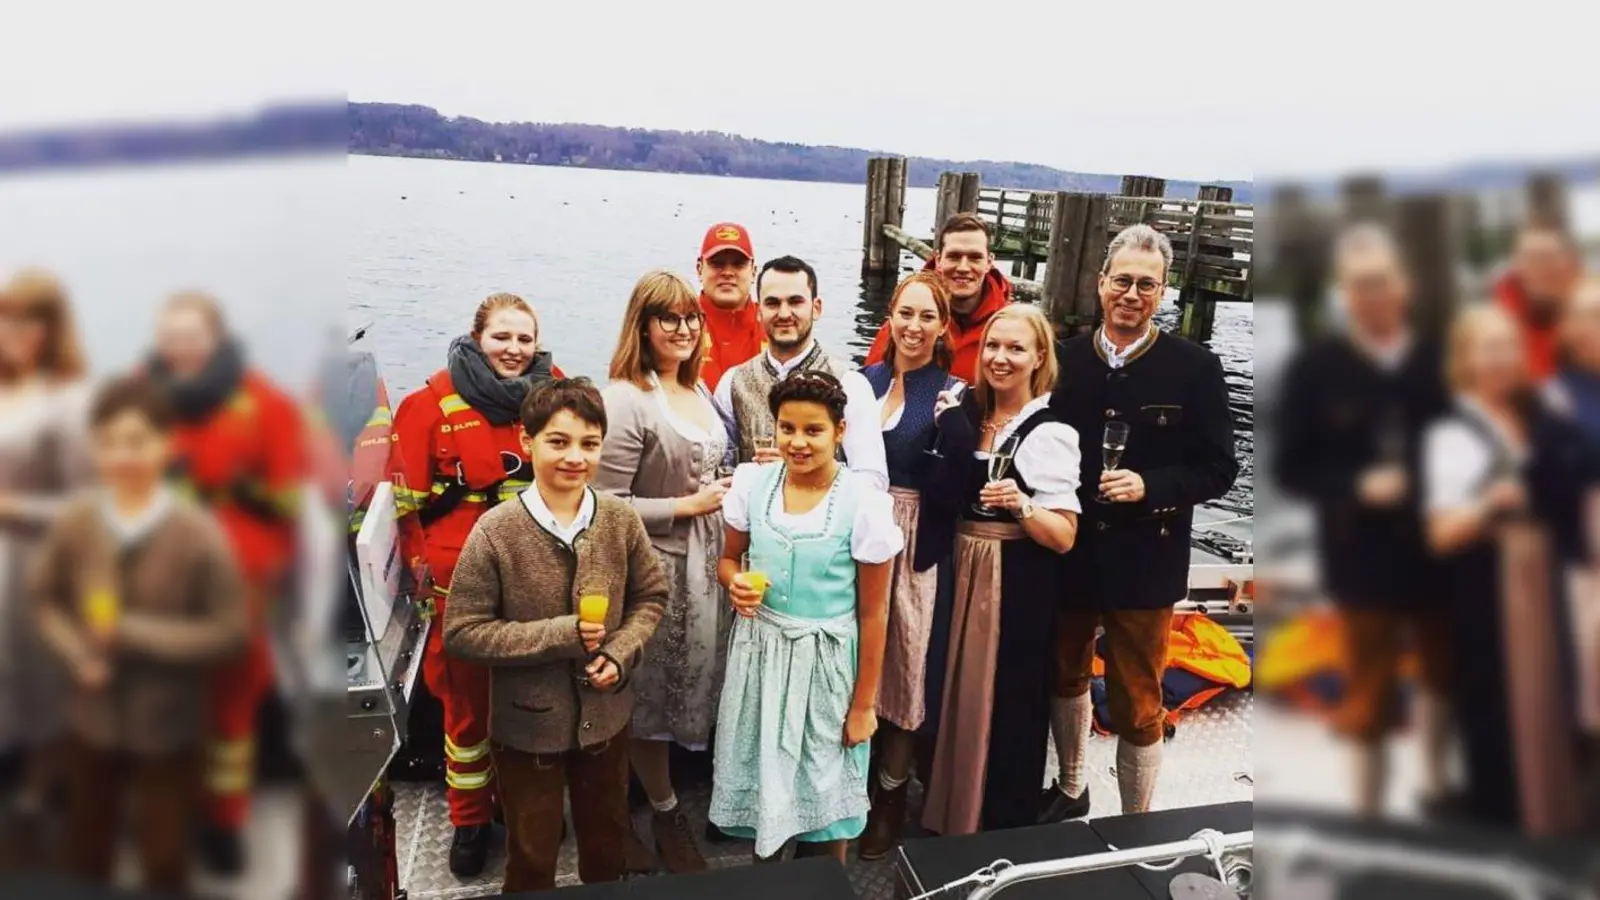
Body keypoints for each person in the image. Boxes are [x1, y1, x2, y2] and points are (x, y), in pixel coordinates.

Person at [443, 378, 668, 893]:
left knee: (607, 844)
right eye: (558, 442)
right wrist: (562, 634)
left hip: (607, 723)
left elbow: (650, 597)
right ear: (527, 442)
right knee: (530, 853)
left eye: (589, 444)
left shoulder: (619, 519)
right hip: (526, 733)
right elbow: (463, 632)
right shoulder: (495, 532)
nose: (575, 457)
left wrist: (620, 650)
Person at [1045, 224, 1238, 819]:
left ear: (1164, 292)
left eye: (1146, 285)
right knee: (1064, 672)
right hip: (1071, 552)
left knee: (1138, 698)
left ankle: (1137, 821)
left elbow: (1219, 468)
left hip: (1146, 560)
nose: (1132, 293)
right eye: (1122, 280)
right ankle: (1071, 788)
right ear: (1101, 284)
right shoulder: (1064, 359)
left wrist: (1151, 487)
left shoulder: (1195, 367)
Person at [31, 374, 247, 894]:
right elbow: (46, 600)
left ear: (166, 445)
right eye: (108, 444)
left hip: (169, 729)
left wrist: (131, 632)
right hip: (90, 725)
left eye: (137, 442)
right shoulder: (77, 523)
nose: (122, 456)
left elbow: (229, 632)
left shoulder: (196, 532)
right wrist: (77, 654)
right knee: (84, 849)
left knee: (164, 855)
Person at [1272, 223, 1455, 818]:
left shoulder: (1441, 358)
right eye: (1357, 285)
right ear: (1342, 293)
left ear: (1402, 284)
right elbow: (1290, 468)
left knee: (1444, 676)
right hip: (1362, 554)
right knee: (1368, 692)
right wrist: (1355, 485)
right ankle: (1369, 811)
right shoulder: (1317, 368)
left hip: (1444, 546)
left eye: (1380, 281)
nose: (1371, 295)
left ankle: (1438, 789)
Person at [389, 292, 562, 876]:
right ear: (476, 337)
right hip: (461, 587)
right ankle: (468, 819)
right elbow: (404, 513)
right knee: (466, 712)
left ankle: (520, 805)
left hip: (537, 582)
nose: (514, 350)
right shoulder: (428, 407)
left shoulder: (553, 396)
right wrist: (418, 582)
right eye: (502, 337)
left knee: (534, 701)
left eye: (524, 338)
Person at [142, 291, 306, 874]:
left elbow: (287, 497)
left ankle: (224, 819)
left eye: (193, 335)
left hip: (237, 579)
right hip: (152, 581)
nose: (181, 347)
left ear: (215, 337)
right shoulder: (138, 397)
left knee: (230, 712)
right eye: (171, 336)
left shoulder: (263, 404)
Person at [709, 369, 900, 863]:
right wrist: (736, 585)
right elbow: (728, 561)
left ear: (840, 432)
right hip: (762, 659)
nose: (797, 442)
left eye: (813, 430)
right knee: (766, 794)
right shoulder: (754, 484)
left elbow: (875, 613)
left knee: (825, 803)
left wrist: (863, 706)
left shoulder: (864, 504)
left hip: (828, 668)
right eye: (786, 428)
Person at [1423, 304, 1596, 829]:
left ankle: (1552, 821)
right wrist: (1487, 505)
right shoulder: (1452, 432)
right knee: (1498, 719)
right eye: (1489, 348)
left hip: (1544, 586)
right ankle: (1503, 835)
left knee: (1551, 711)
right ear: (1467, 359)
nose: (1502, 359)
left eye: (1509, 347)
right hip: (1487, 595)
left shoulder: (1540, 418)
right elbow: (1442, 532)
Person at [918, 303, 1081, 835]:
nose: (1000, 358)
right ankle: (946, 806)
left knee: (1001, 703)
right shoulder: (969, 411)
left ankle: (990, 824)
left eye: (1015, 348)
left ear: (1039, 358)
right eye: (992, 346)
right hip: (958, 567)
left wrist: (1023, 504)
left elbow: (1064, 536)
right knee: (952, 693)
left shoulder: (1048, 431)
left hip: (1010, 581)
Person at [593, 270, 730, 874]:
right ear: (642, 326)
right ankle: (661, 810)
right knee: (647, 697)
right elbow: (603, 502)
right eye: (668, 318)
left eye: (690, 318)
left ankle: (650, 800)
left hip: (705, 567)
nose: (682, 329)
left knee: (685, 689)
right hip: (655, 571)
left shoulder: (699, 393)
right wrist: (685, 506)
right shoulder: (626, 397)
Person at [855, 271, 961, 859]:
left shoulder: (950, 392)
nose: (914, 327)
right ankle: (849, 788)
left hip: (914, 537)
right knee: (850, 660)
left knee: (904, 665)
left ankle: (890, 796)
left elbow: (954, 480)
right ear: (889, 318)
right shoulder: (861, 383)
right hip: (854, 531)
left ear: (942, 326)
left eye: (927, 317)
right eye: (905, 313)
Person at [0, 269, 92, 864]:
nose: (16, 331)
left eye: (31, 319)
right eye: (9, 316)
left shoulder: (71, 402)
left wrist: (16, 507)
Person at [713, 255, 889, 491]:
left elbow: (873, 480)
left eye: (795, 302)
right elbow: (721, 467)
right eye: (773, 303)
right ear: (758, 311)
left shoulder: (850, 384)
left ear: (816, 308)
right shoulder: (732, 382)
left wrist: (805, 475)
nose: (784, 314)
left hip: (827, 524)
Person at [863, 213, 1014, 383]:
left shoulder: (1012, 326)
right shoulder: (902, 328)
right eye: (954, 256)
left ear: (989, 262)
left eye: (974, 257)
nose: (963, 267)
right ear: (939, 260)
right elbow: (868, 388)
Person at [1494, 219, 1582, 382]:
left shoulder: (1591, 320)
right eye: (1531, 258)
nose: (1541, 268)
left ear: (1570, 263)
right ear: (1517, 265)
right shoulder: (1493, 329)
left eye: (1550, 258)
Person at [695, 222, 766, 392]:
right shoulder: (676, 324)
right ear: (699, 269)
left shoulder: (775, 323)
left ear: (754, 271)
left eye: (738, 264)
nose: (728, 272)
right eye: (717, 264)